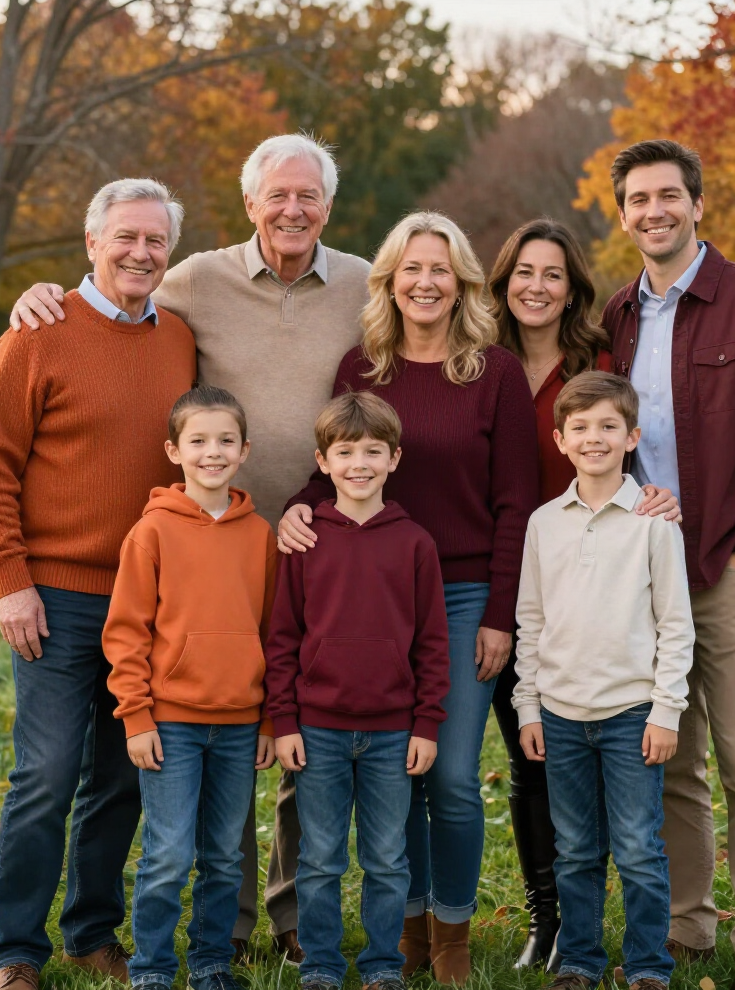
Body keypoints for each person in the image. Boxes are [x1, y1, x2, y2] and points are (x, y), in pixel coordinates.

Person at [8, 133, 372, 963]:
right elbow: (108, 301)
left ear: (328, 204)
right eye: (276, 194)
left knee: (262, 743)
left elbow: (430, 317)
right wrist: (43, 294)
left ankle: (260, 922)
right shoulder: (189, 282)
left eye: (307, 195)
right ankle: (56, 949)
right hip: (162, 561)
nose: (291, 209)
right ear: (250, 203)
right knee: (123, 754)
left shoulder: (352, 283)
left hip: (297, 550)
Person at [278, 211, 538, 986]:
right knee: (405, 774)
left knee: (451, 774)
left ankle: (452, 931)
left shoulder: (493, 374)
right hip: (370, 589)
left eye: (441, 271)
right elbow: (335, 461)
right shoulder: (362, 367)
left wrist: (498, 613)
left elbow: (515, 504)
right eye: (410, 271)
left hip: (460, 596)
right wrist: (297, 503)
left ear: (461, 284)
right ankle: (410, 925)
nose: (426, 284)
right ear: (387, 283)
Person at [0, 179, 196, 990]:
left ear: (171, 252)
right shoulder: (37, 333)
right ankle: (15, 952)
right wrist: (10, 578)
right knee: (48, 773)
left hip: (151, 602)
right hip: (56, 597)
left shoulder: (180, 340)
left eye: (156, 241)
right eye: (126, 237)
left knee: (124, 773)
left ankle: (91, 930)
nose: (140, 252)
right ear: (92, 242)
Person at [602, 139, 735, 990]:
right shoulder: (619, 317)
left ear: (697, 204)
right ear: (621, 216)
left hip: (728, 567)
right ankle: (687, 929)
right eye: (637, 200)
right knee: (673, 762)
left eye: (668, 196)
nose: (653, 211)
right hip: (644, 574)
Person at [486, 218, 679, 972]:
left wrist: (657, 498)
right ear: (503, 282)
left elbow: (638, 431)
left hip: (606, 565)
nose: (537, 286)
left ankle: (619, 943)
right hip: (517, 564)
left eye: (553, 274)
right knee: (529, 753)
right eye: (523, 272)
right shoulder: (483, 362)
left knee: (624, 817)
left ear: (572, 289)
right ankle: (552, 922)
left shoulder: (597, 363)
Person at [264, 391, 451, 990]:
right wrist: (285, 720)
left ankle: (380, 966)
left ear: (394, 459)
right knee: (318, 857)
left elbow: (431, 644)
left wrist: (426, 724)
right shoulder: (306, 541)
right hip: (316, 728)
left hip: (393, 731)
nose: (359, 464)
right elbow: (283, 636)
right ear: (323, 462)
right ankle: (320, 963)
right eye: (345, 452)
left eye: (373, 451)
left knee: (387, 859)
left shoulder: (415, 543)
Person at [514, 371, 694, 990]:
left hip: (631, 715)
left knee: (640, 850)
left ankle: (647, 965)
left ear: (632, 436)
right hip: (561, 715)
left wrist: (667, 711)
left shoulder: (652, 522)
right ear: (560, 440)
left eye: (608, 427)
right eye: (581, 428)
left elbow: (676, 624)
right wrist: (528, 707)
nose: (594, 439)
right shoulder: (544, 523)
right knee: (576, 851)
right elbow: (530, 621)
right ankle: (582, 962)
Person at [102, 386, 278, 990]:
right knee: (168, 856)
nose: (213, 452)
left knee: (226, 856)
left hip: (239, 723)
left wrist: (270, 722)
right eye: (199, 441)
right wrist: (137, 716)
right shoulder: (150, 534)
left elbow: (272, 631)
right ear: (174, 451)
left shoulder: (261, 536)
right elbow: (125, 633)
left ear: (245, 450)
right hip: (169, 723)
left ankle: (209, 962)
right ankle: (150, 968)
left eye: (225, 440)